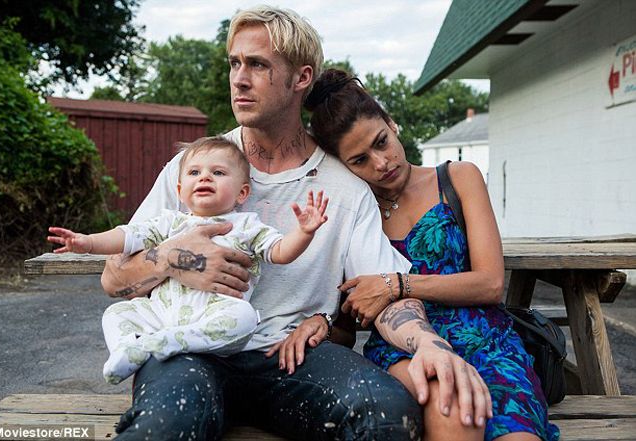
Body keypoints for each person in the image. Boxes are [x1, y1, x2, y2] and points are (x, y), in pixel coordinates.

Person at [99, 6, 489, 440]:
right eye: (234, 63)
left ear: (301, 78)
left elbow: (384, 293)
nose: (239, 79)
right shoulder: (195, 167)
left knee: (386, 412)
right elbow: (114, 279)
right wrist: (174, 259)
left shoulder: (345, 189)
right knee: (166, 423)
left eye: (257, 65)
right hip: (186, 348)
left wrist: (430, 344)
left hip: (291, 356)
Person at [304, 68, 561, 441]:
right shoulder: (355, 213)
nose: (381, 163)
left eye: (381, 142)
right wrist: (320, 324)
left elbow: (490, 284)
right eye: (359, 160)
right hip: (403, 350)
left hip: (487, 341)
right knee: (450, 411)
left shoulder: (458, 178)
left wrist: (397, 284)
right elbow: (348, 318)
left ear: (392, 124)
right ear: (343, 166)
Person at [47, 136, 329, 385]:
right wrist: (88, 242)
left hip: (213, 314)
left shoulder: (246, 225)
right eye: (195, 172)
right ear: (181, 190)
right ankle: (126, 350)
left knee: (244, 318)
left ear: (242, 192)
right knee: (117, 313)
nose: (205, 177)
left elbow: (280, 252)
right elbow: (127, 237)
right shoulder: (170, 223)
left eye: (218, 172)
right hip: (160, 313)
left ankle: (171, 341)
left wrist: (304, 232)